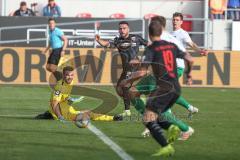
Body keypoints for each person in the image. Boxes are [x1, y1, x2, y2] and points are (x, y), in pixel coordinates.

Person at [120, 20, 194, 156]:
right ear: (162, 31)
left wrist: (127, 80)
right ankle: (172, 127)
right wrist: (189, 75)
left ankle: (169, 142)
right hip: (175, 87)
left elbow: (142, 72)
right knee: (134, 94)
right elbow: (190, 59)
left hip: (161, 85)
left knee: (149, 118)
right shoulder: (171, 45)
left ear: (149, 33)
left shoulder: (152, 48)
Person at [95, 21, 148, 117]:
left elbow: (148, 44)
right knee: (120, 90)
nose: (122, 30)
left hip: (134, 67)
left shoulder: (136, 38)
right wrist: (99, 40)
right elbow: (107, 44)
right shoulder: (118, 40)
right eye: (120, 28)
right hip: (125, 69)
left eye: (124, 28)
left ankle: (127, 111)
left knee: (125, 86)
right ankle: (138, 96)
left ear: (128, 29)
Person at [35, 66, 122, 122]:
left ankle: (113, 118)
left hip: (67, 107)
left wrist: (70, 99)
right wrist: (60, 116)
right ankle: (51, 114)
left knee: (88, 112)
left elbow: (63, 96)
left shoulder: (71, 82)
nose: (70, 77)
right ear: (63, 75)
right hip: (63, 112)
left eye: (72, 75)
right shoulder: (59, 86)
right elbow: (54, 103)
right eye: (68, 75)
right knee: (86, 116)